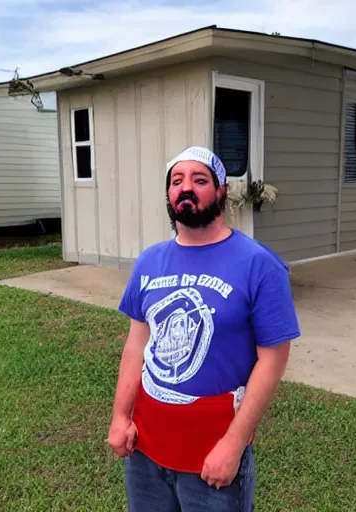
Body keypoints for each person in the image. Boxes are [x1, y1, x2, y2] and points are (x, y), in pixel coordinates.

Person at [108, 146, 300, 511]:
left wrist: (234, 444)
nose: (186, 188)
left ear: (221, 191)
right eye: (176, 180)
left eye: (199, 180)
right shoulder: (150, 261)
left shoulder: (259, 264)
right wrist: (120, 417)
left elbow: (273, 360)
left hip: (213, 450)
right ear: (168, 194)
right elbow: (136, 347)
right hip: (145, 449)